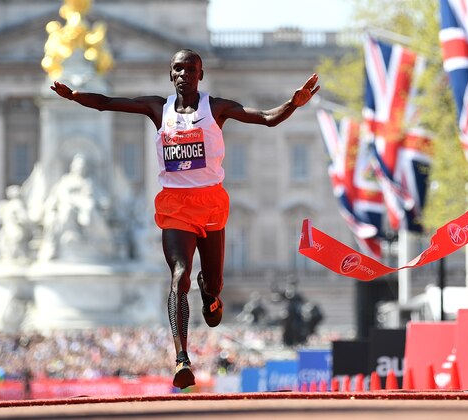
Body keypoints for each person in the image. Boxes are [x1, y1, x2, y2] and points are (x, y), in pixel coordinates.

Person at [50, 49, 319, 389]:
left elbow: (266, 118)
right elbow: (107, 102)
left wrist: (294, 103)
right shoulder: (156, 108)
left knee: (213, 284)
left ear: (200, 75)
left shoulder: (216, 108)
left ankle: (211, 297)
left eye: (190, 69)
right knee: (179, 275)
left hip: (209, 201)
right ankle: (182, 359)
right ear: (171, 74)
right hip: (175, 204)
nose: (183, 74)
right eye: (177, 69)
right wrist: (73, 95)